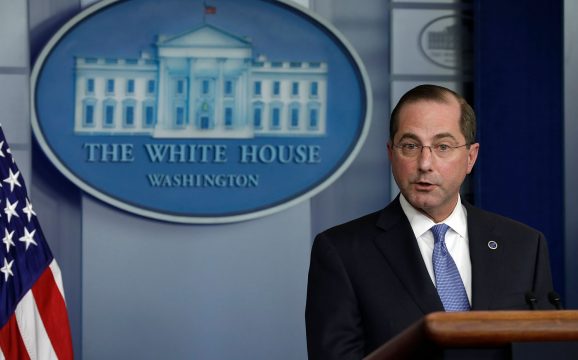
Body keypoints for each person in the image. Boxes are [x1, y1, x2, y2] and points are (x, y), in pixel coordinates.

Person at [305, 84, 554, 359]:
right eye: (410, 146)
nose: (425, 163)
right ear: (391, 154)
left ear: (470, 157)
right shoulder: (342, 251)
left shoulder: (524, 246)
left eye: (442, 146)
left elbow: (541, 349)